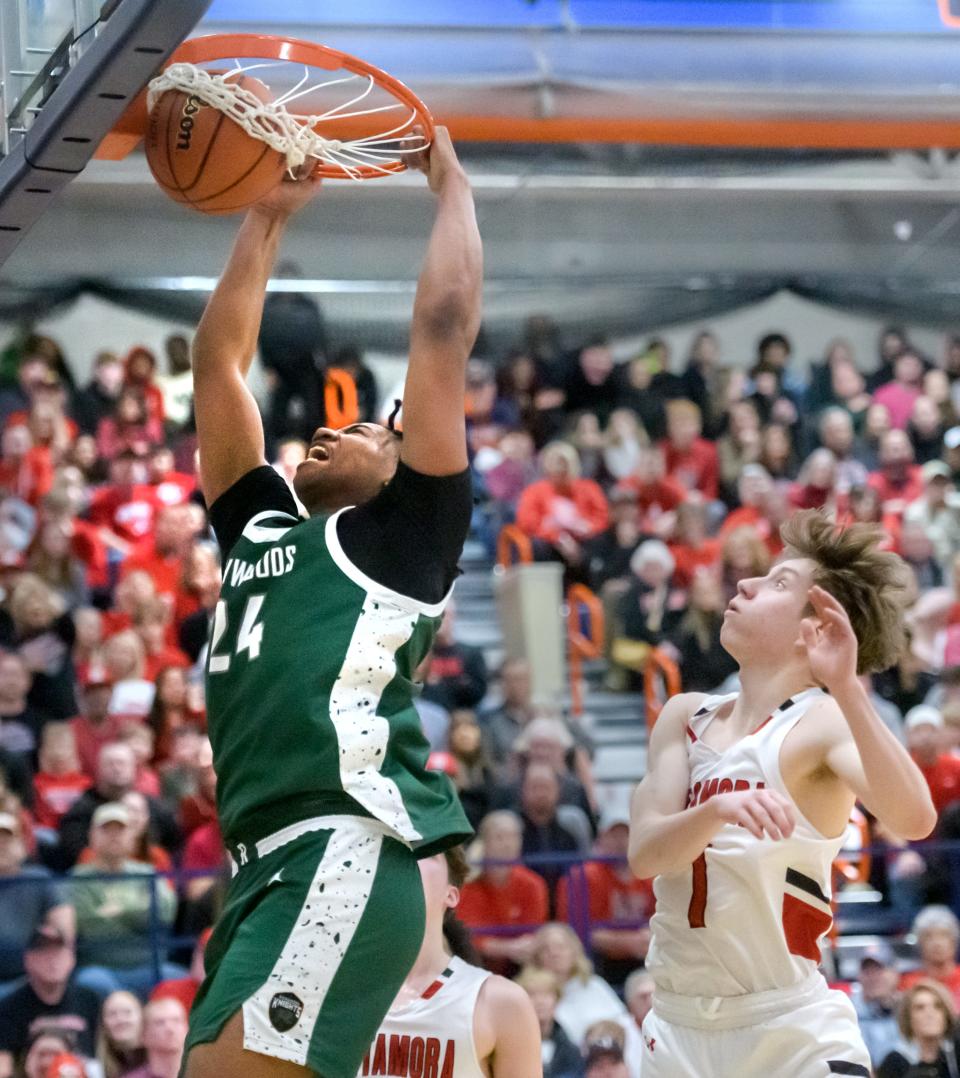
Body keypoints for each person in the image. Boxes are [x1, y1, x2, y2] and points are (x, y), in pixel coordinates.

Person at [180, 128, 480, 1078]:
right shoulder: (262, 530)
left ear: (402, 467)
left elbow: (442, 329)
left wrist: (451, 191)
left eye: (361, 427)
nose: (325, 425)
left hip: (341, 850)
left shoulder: (406, 535)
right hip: (260, 866)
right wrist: (265, 216)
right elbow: (219, 366)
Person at [630, 509, 936, 1077]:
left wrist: (846, 688)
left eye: (777, 583)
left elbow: (915, 818)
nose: (744, 583)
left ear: (814, 627)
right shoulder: (683, 716)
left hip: (790, 1030)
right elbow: (647, 854)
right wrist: (715, 810)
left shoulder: (822, 722)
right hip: (676, 1031)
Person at [359, 848, 540, 1076]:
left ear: (451, 894)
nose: (405, 862)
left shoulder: (500, 1001)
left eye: (425, 853)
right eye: (395, 850)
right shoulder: (328, 995)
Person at [458, 810, 549, 974]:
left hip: (519, 964)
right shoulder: (467, 883)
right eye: (500, 837)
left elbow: (534, 932)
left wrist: (513, 948)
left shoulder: (533, 884)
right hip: (473, 965)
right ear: (484, 842)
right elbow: (465, 936)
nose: (508, 844)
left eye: (514, 837)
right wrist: (505, 948)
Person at [0, 925, 100, 1067]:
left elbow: (106, 1056)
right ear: (28, 959)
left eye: (58, 950)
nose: (52, 959)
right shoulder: (8, 1009)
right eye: (44, 951)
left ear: (71, 958)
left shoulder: (90, 1000)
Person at [0, 811, 74, 991]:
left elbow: (65, 935)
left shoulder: (40, 879)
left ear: (23, 845)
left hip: (33, 981)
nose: (1, 846)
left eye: (7, 840)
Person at [877, 980, 960, 1078]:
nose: (929, 1013)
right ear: (908, 1018)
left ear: (946, 1015)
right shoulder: (893, 1063)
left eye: (937, 1006)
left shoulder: (956, 1055)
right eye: (920, 1008)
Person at [515, 966, 580, 1078]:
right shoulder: (510, 1046)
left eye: (546, 994)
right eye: (532, 994)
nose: (540, 1001)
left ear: (557, 999)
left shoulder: (570, 1049)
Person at [851, 941, 904, 1070]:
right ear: (859, 976)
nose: (873, 977)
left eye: (879, 970)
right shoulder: (848, 1011)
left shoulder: (910, 1007)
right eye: (867, 971)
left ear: (895, 973)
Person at [901, 906, 960, 1010]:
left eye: (944, 935)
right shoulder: (908, 984)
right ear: (919, 944)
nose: (937, 943)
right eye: (929, 936)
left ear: (954, 941)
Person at [120, 997, 189, 1078]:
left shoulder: (203, 1072)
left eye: (176, 1020)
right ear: (143, 1034)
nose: (170, 1028)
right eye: (160, 1023)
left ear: (187, 1029)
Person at [96, 990, 146, 1078]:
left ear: (142, 1017)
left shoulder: (158, 1060)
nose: (120, 1019)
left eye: (127, 1012)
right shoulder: (96, 1069)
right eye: (112, 1014)